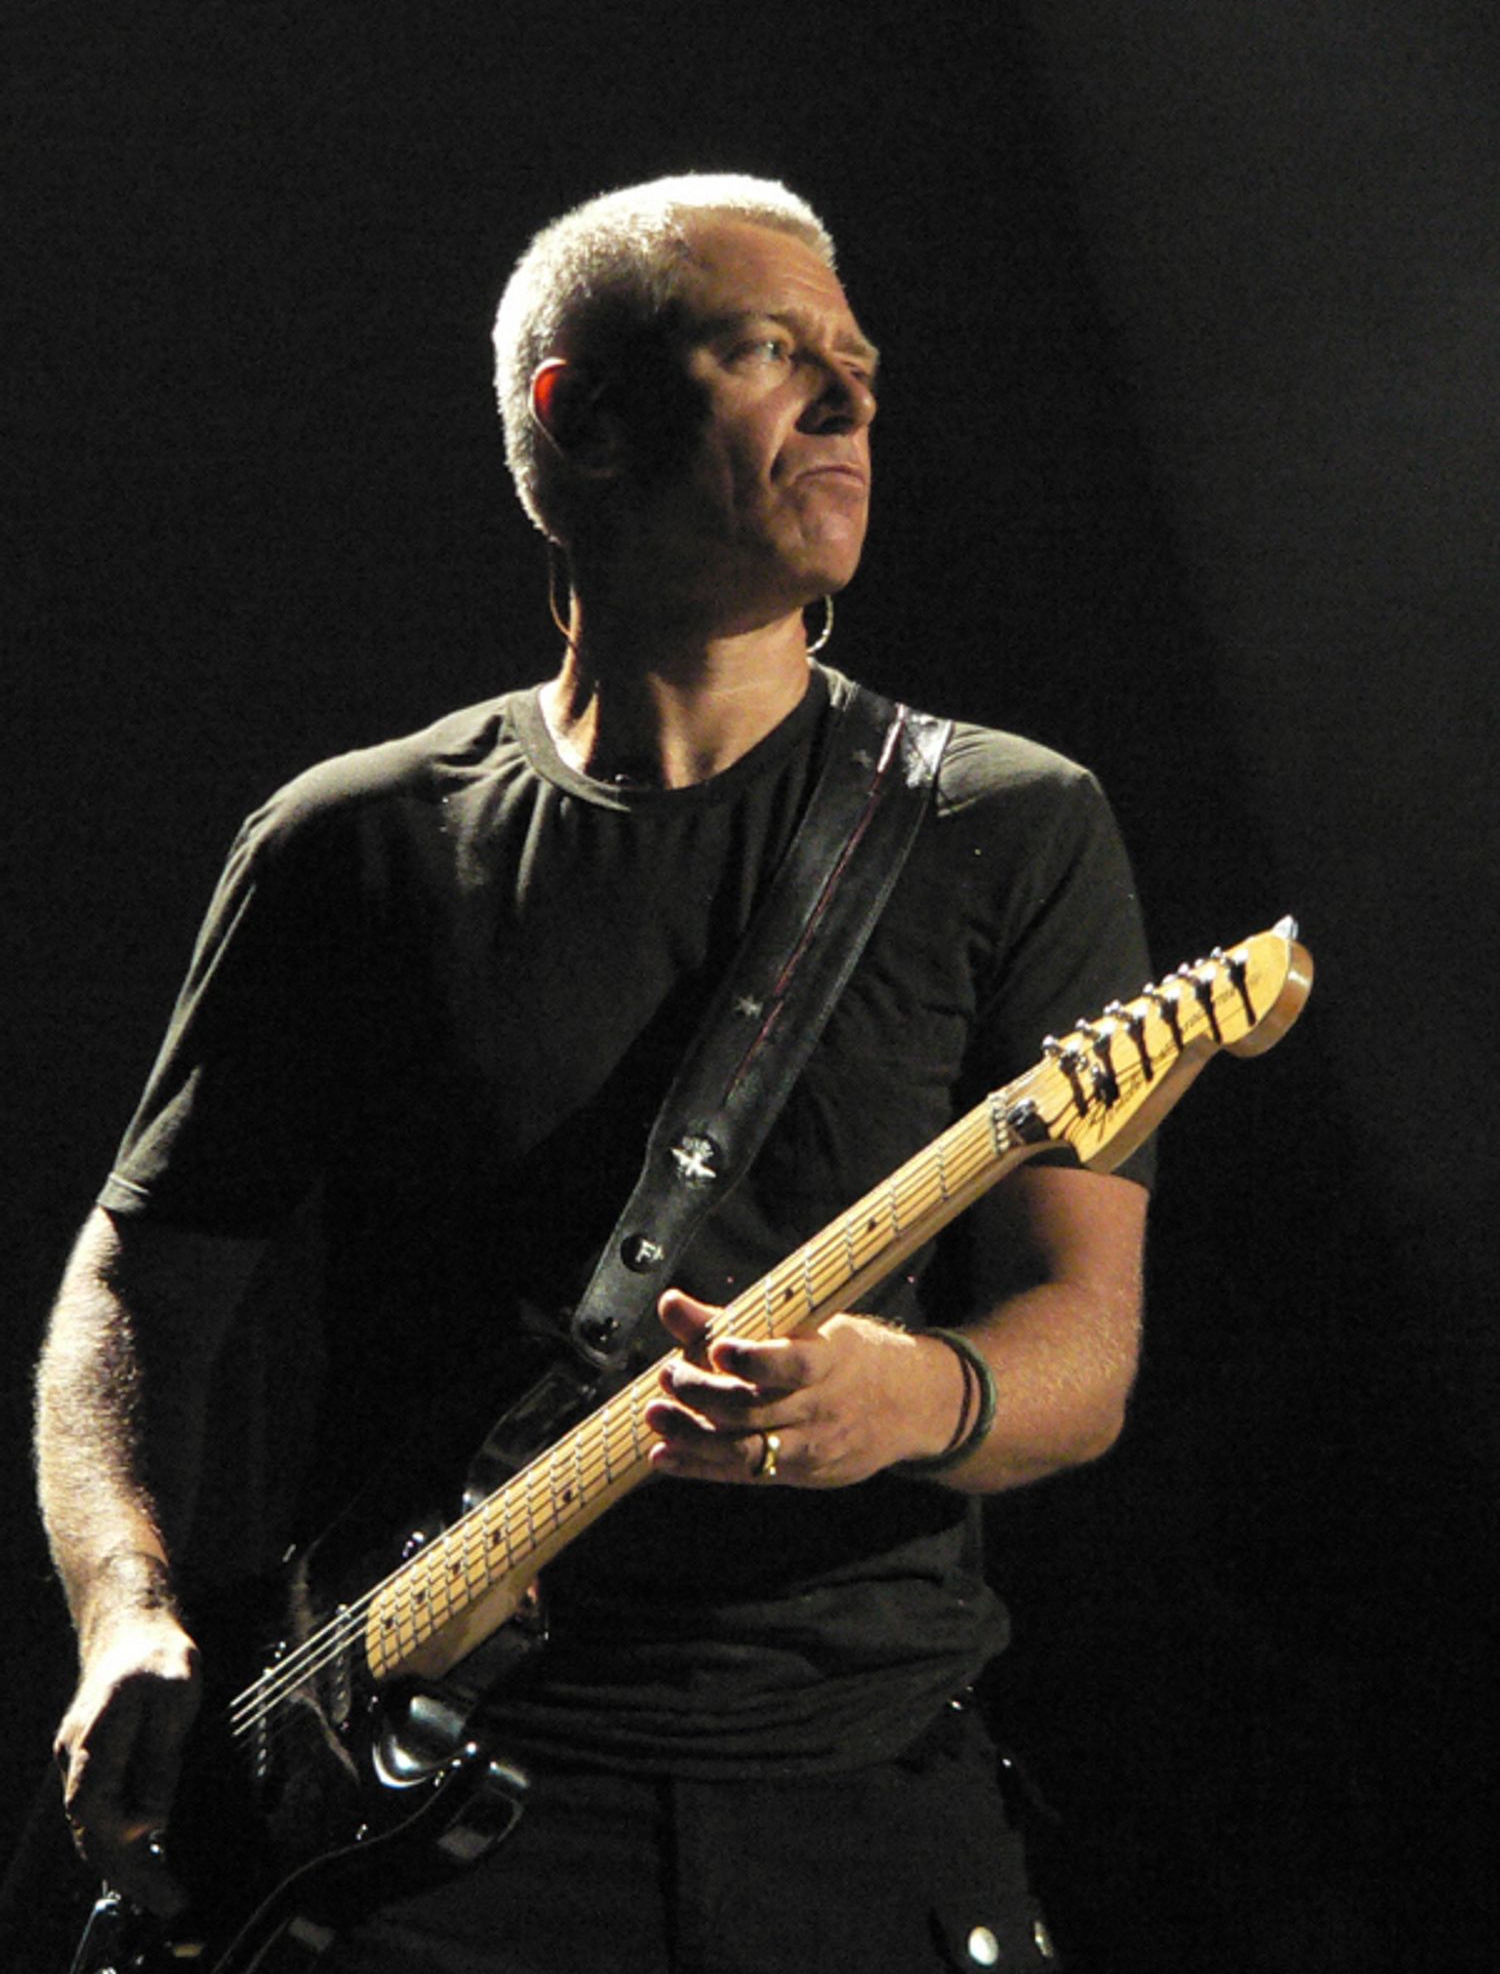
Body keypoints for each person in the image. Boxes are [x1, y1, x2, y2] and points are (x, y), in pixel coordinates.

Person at [35, 173, 1152, 1972]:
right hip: (401, 1831)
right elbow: (138, 1277)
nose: (852, 402)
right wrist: (127, 1613)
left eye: (858, 361)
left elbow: (1085, 1346)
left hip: (851, 1802)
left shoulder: (1007, 828)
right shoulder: (357, 843)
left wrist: (917, 1396)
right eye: (774, 352)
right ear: (582, 411)